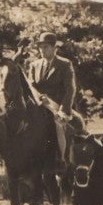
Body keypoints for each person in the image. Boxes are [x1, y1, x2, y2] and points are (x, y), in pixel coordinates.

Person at [25, 32, 79, 162]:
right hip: (39, 105)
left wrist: (63, 110)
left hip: (57, 106)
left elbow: (70, 89)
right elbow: (31, 87)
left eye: (46, 47)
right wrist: (39, 98)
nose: (42, 50)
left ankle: (62, 158)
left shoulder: (65, 64)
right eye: (40, 47)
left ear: (54, 48)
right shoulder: (34, 65)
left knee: (58, 125)